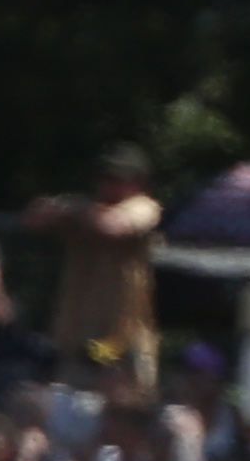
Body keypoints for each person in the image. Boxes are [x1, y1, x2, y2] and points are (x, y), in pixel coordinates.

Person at [27, 147, 166, 373]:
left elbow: (112, 227)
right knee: (71, 390)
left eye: (116, 179)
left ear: (138, 182)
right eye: (103, 178)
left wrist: (72, 212)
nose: (106, 185)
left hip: (120, 346)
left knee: (115, 390)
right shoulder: (83, 208)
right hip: (77, 340)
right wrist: (63, 210)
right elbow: (33, 219)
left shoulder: (143, 207)